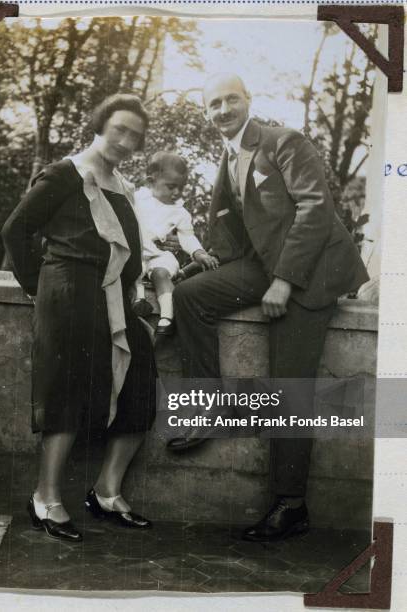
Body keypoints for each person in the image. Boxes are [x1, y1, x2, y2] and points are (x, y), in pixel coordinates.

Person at [170, 73, 369, 542]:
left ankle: (291, 505)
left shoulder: (283, 141)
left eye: (231, 99)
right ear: (206, 112)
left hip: (312, 272)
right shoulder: (229, 155)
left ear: (249, 100)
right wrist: (204, 267)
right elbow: (236, 228)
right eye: (213, 104)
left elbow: (315, 208)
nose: (223, 110)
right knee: (189, 296)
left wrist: (283, 281)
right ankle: (210, 405)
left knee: (289, 385)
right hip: (265, 265)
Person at [1, 94, 156, 541]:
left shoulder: (121, 186)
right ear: (100, 125)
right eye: (120, 129)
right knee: (66, 389)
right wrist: (39, 285)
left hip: (113, 299)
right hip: (68, 292)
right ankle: (45, 498)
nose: (127, 141)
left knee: (140, 382)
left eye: (136, 136)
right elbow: (16, 229)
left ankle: (107, 492)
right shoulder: (65, 173)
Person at [133, 151, 218, 335]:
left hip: (158, 254)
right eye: (171, 187)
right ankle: (139, 300)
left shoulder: (179, 212)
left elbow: (187, 236)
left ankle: (166, 317)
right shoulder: (136, 199)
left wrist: (199, 253)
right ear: (151, 181)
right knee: (132, 266)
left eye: (181, 187)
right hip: (137, 251)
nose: (177, 193)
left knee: (161, 273)